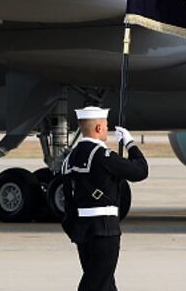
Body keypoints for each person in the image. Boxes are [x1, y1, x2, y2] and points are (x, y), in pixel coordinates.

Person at [60, 106, 149, 291]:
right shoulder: (103, 156)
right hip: (104, 231)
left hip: (82, 231)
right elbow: (141, 170)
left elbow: (68, 199)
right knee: (95, 284)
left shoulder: (69, 159)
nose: (107, 129)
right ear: (99, 128)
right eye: (106, 125)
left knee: (106, 285)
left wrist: (73, 228)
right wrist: (130, 143)